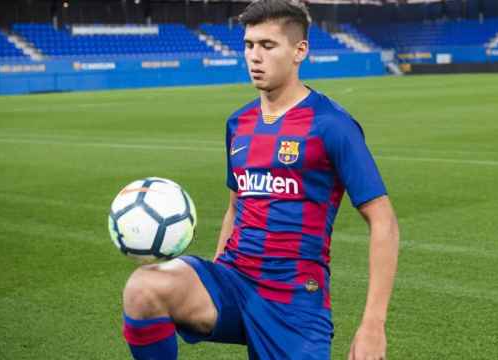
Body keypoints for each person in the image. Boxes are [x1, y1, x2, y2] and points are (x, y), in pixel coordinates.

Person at [121, 0, 399, 359]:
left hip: (293, 301)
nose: (255, 56)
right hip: (235, 280)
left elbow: (384, 222)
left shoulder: (332, 125)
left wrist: (373, 325)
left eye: (268, 46)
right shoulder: (238, 124)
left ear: (300, 51)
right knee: (143, 288)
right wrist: (218, 274)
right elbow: (236, 207)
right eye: (249, 45)